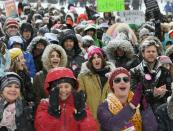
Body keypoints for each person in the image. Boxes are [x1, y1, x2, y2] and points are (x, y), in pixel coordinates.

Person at [130, 36, 172, 113]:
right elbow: (134, 93)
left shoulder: (164, 71)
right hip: (142, 111)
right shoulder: (134, 71)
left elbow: (169, 92)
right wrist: (152, 93)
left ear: (157, 53)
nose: (151, 53)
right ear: (143, 53)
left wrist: (164, 92)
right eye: (148, 51)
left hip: (161, 111)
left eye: (153, 51)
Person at [78, 46, 115, 120]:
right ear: (90, 61)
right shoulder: (83, 77)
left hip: (110, 118)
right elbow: (79, 96)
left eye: (98, 57)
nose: (96, 59)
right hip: (92, 117)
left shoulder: (113, 75)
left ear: (102, 59)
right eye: (93, 58)